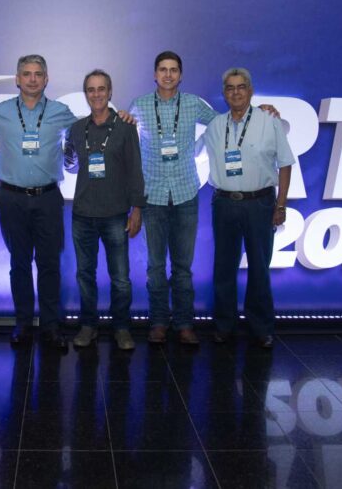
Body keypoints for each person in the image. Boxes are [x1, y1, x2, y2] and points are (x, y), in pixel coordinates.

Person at [128, 51, 217, 345]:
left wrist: (261, 111)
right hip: (152, 196)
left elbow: (224, 123)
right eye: (163, 69)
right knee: (155, 267)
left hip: (185, 195)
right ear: (155, 74)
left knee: (182, 267)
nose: (168, 75)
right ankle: (158, 322)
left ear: (180, 75)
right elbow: (128, 148)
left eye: (173, 70)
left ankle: (184, 323)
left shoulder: (192, 104)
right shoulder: (140, 105)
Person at [0, 54, 78, 349]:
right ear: (17, 79)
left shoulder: (61, 112)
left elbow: (89, 130)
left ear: (46, 79)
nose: (32, 79)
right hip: (11, 198)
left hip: (48, 198)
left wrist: (122, 119)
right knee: (19, 263)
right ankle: (23, 324)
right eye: (26, 74)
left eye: (38, 74)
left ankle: (51, 327)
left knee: (49, 264)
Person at [203, 67, 293, 349]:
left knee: (259, 268)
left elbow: (285, 164)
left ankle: (261, 327)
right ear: (224, 94)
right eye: (230, 88)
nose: (236, 92)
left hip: (260, 203)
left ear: (250, 90)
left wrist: (281, 205)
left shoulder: (269, 121)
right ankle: (224, 326)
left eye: (241, 87)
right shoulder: (215, 125)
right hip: (224, 203)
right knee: (223, 268)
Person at [63, 70, 145, 350]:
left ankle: (121, 327)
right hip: (83, 214)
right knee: (85, 275)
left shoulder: (125, 127)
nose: (96, 94)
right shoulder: (77, 128)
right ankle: (88, 325)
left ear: (110, 92)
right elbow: (69, 164)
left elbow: (135, 170)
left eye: (101, 89)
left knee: (120, 278)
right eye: (91, 89)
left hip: (115, 214)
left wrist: (137, 209)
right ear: (86, 94)